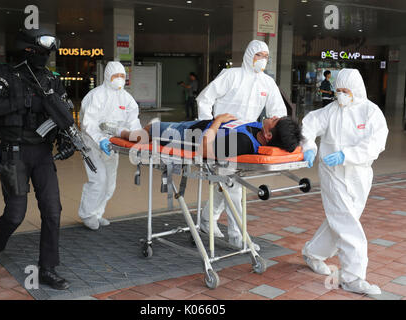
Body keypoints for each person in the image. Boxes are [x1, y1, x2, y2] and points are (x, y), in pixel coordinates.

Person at [0, 28, 73, 290]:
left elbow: (64, 113)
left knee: (53, 212)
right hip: (15, 151)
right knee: (15, 214)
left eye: (48, 54)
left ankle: (48, 269)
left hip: (43, 153)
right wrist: (26, 101)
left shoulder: (52, 80)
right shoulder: (5, 74)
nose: (45, 58)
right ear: (27, 49)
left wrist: (66, 139)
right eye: (40, 52)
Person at [302, 68, 389, 295]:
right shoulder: (331, 111)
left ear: (356, 90)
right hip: (332, 174)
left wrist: (347, 155)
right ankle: (353, 277)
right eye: (338, 90)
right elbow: (309, 125)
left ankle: (312, 253)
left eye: (345, 90)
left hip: (359, 175)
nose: (340, 95)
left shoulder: (371, 112)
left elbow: (377, 142)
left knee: (340, 220)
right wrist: (309, 146)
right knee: (348, 225)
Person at [196, 40, 287, 249]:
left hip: (246, 139)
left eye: (265, 56)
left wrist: (282, 135)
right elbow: (205, 99)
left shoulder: (267, 83)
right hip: (223, 136)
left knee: (227, 183)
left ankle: (207, 220)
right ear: (249, 56)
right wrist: (207, 125)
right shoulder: (231, 75)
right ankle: (238, 236)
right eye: (258, 55)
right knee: (233, 186)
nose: (262, 60)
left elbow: (278, 112)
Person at [78, 61, 141, 230]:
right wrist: (100, 139)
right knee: (98, 179)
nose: (119, 79)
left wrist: (138, 137)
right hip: (91, 142)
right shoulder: (96, 95)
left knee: (110, 182)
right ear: (107, 76)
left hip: (111, 144)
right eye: (116, 76)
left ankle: (98, 213)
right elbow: (87, 123)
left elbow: (133, 120)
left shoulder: (126, 97)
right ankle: (87, 214)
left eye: (122, 76)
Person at [111, 114, 301, 159]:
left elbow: (205, 151)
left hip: (183, 137)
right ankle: (127, 130)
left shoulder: (243, 142)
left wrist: (217, 121)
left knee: (146, 133)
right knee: (150, 129)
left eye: (275, 121)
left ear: (268, 135)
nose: (274, 116)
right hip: (192, 126)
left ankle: (120, 132)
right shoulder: (257, 127)